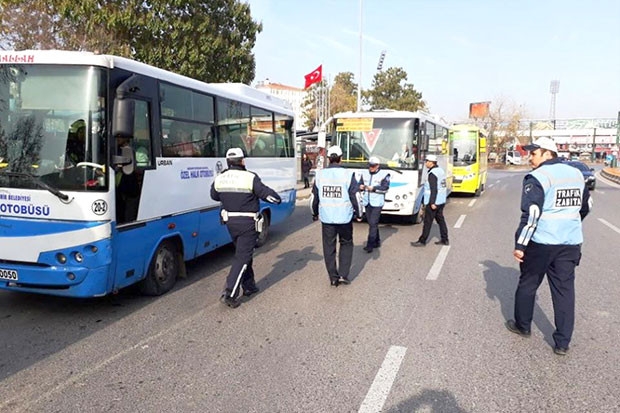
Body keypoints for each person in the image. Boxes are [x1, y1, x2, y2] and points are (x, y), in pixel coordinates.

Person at [505, 137, 591, 356]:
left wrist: (520, 245)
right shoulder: (576, 174)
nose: (529, 157)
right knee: (564, 290)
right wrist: (571, 222)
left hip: (542, 242)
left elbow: (532, 214)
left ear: (546, 153)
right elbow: (586, 206)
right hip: (570, 242)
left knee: (528, 283)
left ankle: (523, 326)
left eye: (533, 153)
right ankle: (562, 342)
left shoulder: (539, 177)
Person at [211, 147, 282, 308]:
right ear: (242, 161)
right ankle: (230, 293)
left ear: (228, 162)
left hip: (230, 223)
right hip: (247, 224)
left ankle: (249, 286)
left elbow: (214, 195)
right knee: (242, 257)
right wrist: (277, 200)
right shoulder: (250, 177)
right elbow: (267, 194)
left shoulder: (221, 177)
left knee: (244, 253)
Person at [311, 145, 361, 286]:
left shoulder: (320, 175)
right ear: (341, 158)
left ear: (328, 158)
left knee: (329, 246)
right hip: (344, 217)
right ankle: (343, 275)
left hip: (327, 218)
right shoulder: (348, 174)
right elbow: (355, 196)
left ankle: (333, 277)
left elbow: (314, 198)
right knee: (346, 243)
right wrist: (359, 214)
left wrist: (314, 213)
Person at [411, 154, 449, 247]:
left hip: (433, 202)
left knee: (427, 222)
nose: (425, 163)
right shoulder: (440, 171)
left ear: (431, 163)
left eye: (427, 161)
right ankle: (445, 239)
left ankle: (422, 240)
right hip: (440, 200)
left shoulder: (432, 174)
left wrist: (432, 203)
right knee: (441, 220)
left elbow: (433, 189)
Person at [359, 156, 390, 253]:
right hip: (367, 202)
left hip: (377, 203)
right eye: (370, 165)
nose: (371, 168)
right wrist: (361, 187)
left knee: (373, 223)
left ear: (377, 166)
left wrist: (374, 189)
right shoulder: (364, 174)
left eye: (373, 166)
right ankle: (377, 241)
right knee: (372, 223)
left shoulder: (384, 175)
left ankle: (370, 244)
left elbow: (385, 188)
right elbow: (359, 184)